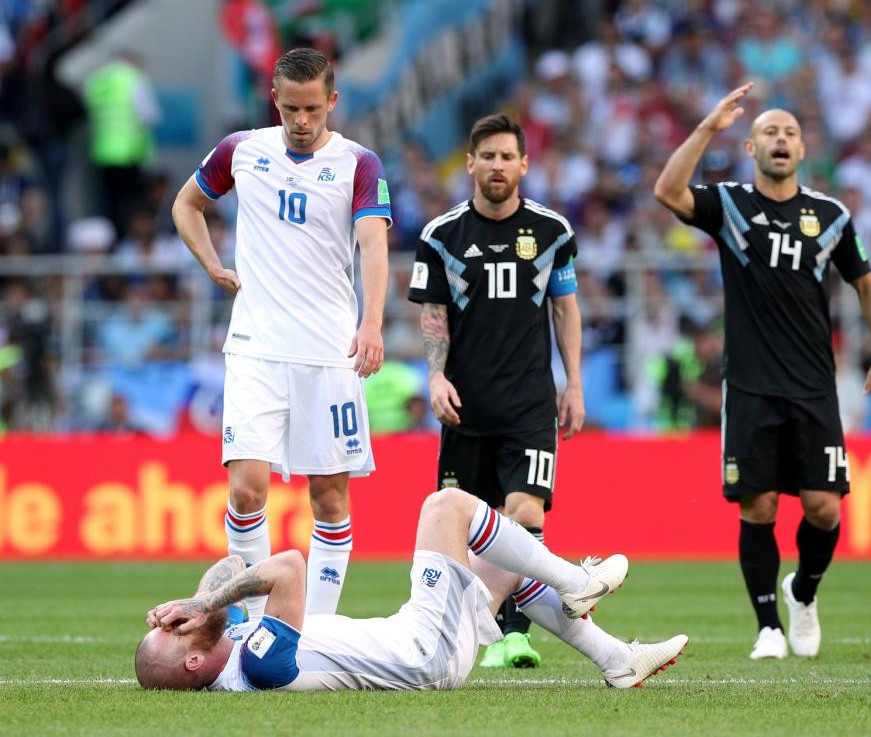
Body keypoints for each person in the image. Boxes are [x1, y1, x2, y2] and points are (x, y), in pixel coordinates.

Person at [653, 83, 871, 660]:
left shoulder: (830, 216)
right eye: (769, 132)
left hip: (814, 384)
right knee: (758, 506)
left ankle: (803, 591)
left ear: (803, 149)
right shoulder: (732, 206)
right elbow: (667, 191)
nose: (780, 139)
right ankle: (768, 626)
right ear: (750, 146)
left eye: (789, 132)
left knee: (824, 507)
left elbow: (866, 282)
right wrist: (706, 126)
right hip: (751, 385)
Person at [172, 48, 392, 619]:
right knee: (246, 490)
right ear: (275, 98)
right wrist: (211, 264)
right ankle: (248, 627)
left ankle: (311, 631)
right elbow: (186, 204)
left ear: (332, 103)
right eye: (291, 108)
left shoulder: (359, 163)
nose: (300, 121)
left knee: (329, 498)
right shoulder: (243, 150)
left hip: (328, 352)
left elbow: (373, 243)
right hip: (255, 350)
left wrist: (371, 323)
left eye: (312, 109)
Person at [136, 488, 687, 691]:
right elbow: (288, 566)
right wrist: (206, 604)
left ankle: (618, 660)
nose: (181, 623)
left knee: (501, 561)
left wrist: (195, 602)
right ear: (192, 664)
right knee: (444, 507)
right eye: (174, 635)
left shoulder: (229, 643)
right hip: (424, 654)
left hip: (417, 640)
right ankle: (578, 580)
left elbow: (230, 563)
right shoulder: (256, 665)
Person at [408, 114, 584, 669]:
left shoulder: (552, 232)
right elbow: (433, 314)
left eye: (508, 157)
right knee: (471, 526)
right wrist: (435, 376)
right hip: (466, 408)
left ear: (524, 164)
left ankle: (512, 634)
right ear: (471, 163)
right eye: (488, 156)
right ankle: (466, 632)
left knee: (525, 510)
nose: (498, 166)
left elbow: (565, 307)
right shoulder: (441, 236)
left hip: (530, 405)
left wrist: (574, 382)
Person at [82, 51, 162, 239]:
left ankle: (112, 240)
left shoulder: (97, 80)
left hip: (102, 151)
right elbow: (151, 115)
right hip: (129, 151)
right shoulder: (132, 79)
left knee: (108, 202)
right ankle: (130, 239)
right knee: (132, 203)